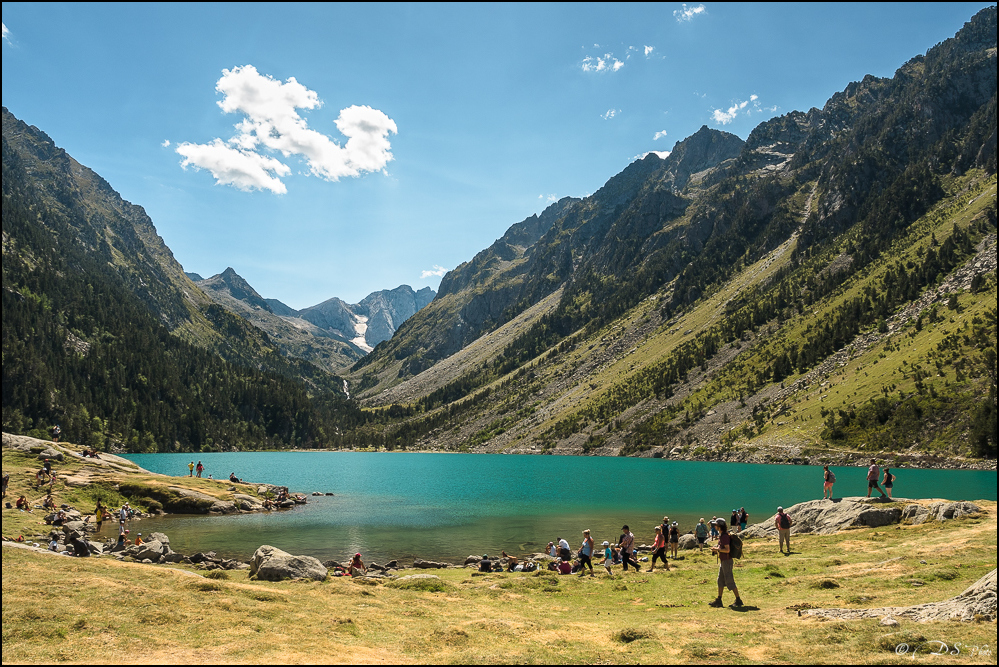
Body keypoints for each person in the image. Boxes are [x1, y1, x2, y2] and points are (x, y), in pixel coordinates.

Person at [709, 518, 743, 608]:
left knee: (729, 580)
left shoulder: (724, 536)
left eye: (715, 525)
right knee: (720, 580)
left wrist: (717, 549)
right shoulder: (722, 535)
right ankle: (719, 600)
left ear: (719, 526)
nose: (714, 526)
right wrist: (717, 549)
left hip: (727, 561)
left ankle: (738, 600)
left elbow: (727, 550)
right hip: (724, 561)